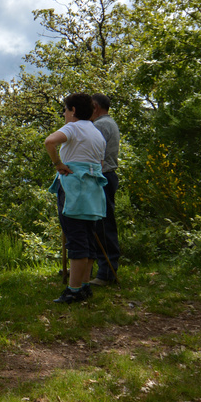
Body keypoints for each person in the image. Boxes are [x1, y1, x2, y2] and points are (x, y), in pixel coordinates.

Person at [44, 93, 107, 304]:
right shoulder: (97, 133)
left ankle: (73, 290)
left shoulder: (73, 127)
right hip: (93, 190)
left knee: (76, 237)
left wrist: (58, 164)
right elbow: (101, 163)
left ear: (73, 110)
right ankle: (85, 284)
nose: (63, 113)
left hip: (74, 187)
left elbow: (49, 141)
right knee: (88, 236)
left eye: (65, 109)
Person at [89, 93, 121, 286]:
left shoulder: (100, 126)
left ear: (94, 106)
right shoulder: (108, 123)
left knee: (102, 225)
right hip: (106, 177)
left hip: (102, 178)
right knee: (97, 224)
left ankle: (107, 273)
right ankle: (89, 267)